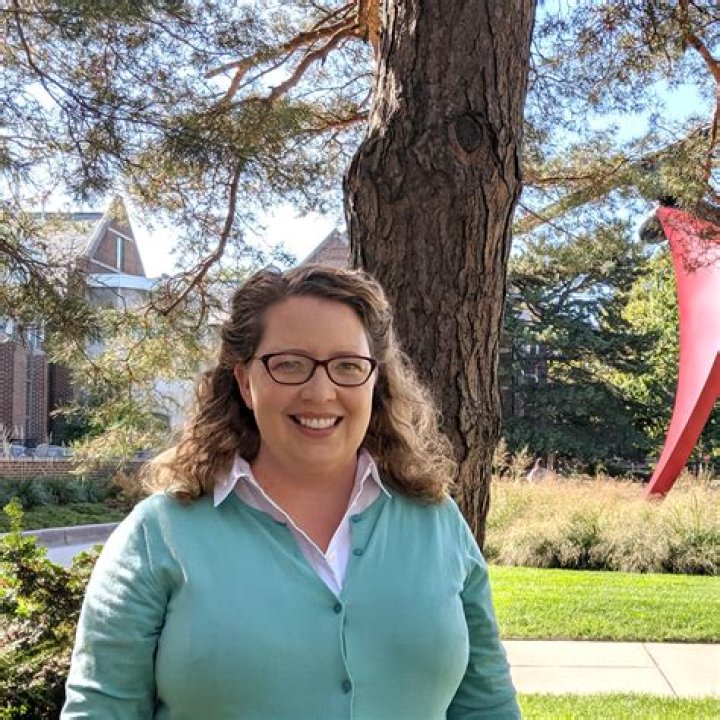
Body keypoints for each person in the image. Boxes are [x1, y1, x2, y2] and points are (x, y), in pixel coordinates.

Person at [62, 264, 520, 719]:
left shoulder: (437, 522)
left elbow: (488, 708)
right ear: (245, 382)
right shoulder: (159, 535)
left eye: (347, 366)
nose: (320, 392)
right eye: (289, 365)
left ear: (374, 379)